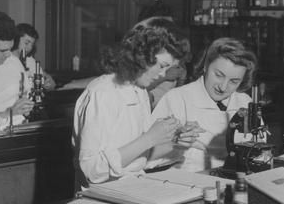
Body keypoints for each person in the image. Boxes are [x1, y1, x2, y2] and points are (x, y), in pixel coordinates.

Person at [72, 17, 202, 190]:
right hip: (99, 199)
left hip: (132, 189)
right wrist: (149, 138)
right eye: (162, 65)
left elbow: (140, 160)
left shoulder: (139, 91)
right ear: (142, 54)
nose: (163, 74)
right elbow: (92, 170)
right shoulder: (103, 93)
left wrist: (176, 143)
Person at [152, 37, 258, 172]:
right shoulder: (177, 98)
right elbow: (147, 157)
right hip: (188, 183)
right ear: (206, 66)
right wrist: (175, 143)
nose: (223, 87)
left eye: (234, 81)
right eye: (219, 75)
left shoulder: (244, 102)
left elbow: (258, 149)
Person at [137, 0, 192, 108]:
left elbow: (178, 90)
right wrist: (165, 77)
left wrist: (182, 78)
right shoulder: (143, 52)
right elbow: (135, 90)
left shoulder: (174, 48)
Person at [12, 23, 56, 91]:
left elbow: (51, 83)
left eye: (32, 44)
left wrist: (48, 83)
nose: (29, 48)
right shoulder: (6, 59)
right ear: (16, 40)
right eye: (26, 43)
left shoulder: (30, 60)